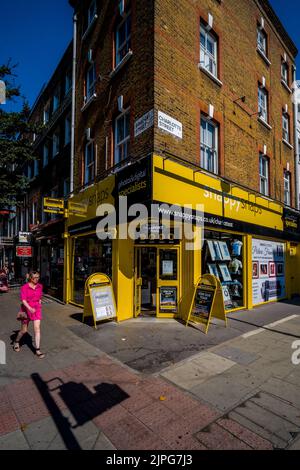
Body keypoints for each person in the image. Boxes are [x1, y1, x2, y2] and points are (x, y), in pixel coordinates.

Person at [13, 271, 45, 358]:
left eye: (38, 277)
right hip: (26, 310)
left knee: (37, 328)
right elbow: (23, 300)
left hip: (36, 309)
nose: (37, 279)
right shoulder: (24, 287)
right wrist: (29, 308)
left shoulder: (40, 286)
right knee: (24, 331)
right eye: (35, 277)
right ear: (30, 278)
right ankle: (16, 341)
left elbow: (40, 297)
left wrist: (39, 303)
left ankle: (37, 350)